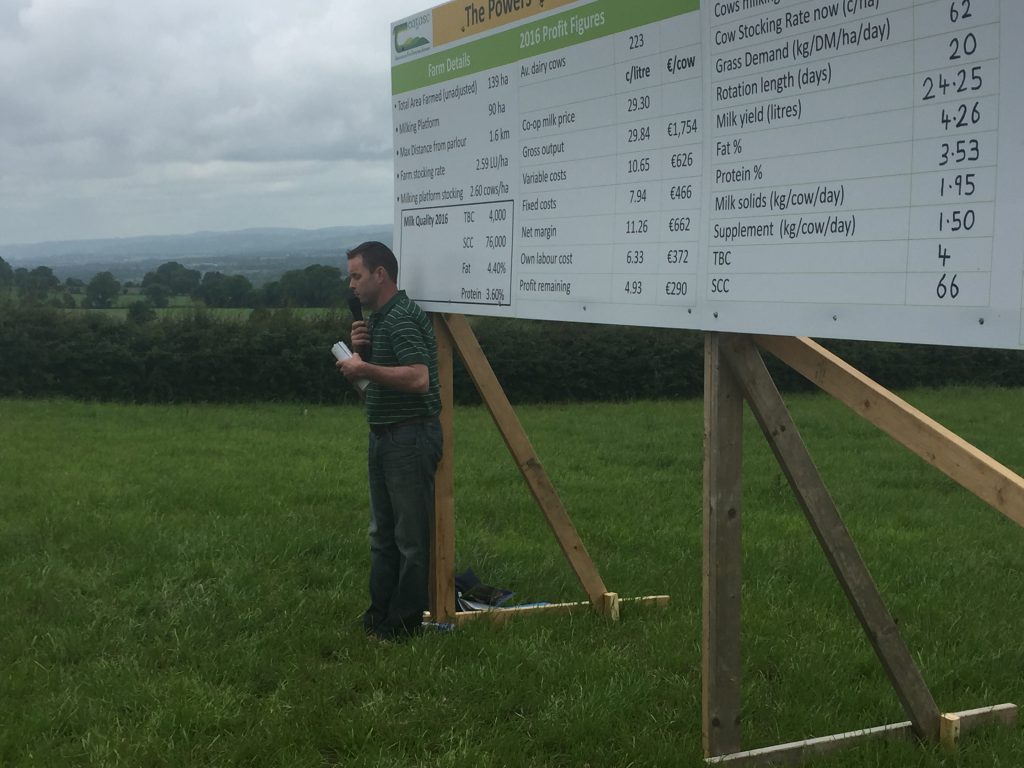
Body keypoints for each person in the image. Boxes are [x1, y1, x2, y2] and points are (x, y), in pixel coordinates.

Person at [337, 241, 442, 641]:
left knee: (409, 539)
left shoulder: (400, 318)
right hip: (383, 434)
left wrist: (364, 366)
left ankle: (402, 625)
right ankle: (379, 615)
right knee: (382, 535)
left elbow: (419, 378)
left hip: (410, 435)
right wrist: (361, 355)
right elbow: (372, 388)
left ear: (380, 274)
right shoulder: (379, 321)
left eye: (357, 276)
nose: (352, 286)